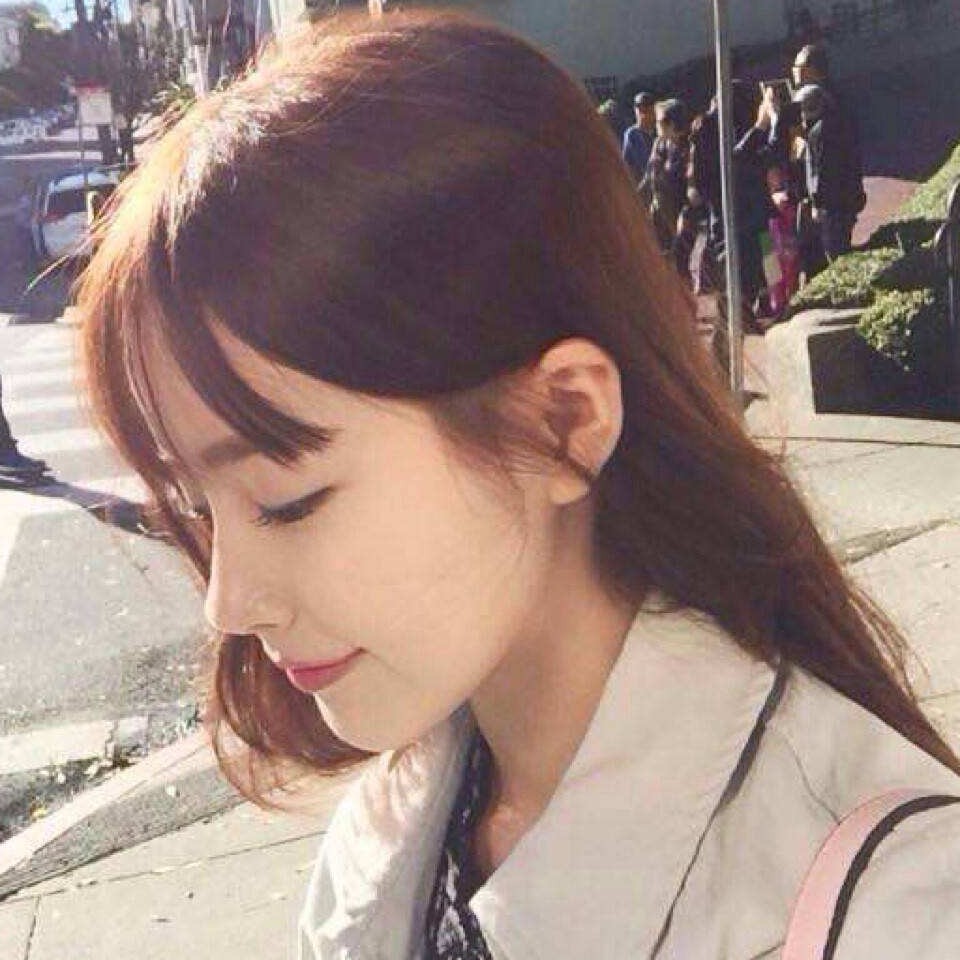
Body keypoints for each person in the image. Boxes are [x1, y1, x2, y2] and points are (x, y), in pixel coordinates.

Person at [76, 13, 960, 959]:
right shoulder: (388, 836)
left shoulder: (892, 911)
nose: (228, 600)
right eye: (199, 510)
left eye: (286, 500)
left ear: (561, 424)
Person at [797, 83, 866, 261]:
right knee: (842, 243)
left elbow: (819, 171)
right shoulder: (842, 122)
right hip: (849, 196)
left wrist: (816, 203)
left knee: (834, 251)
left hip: (831, 205)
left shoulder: (817, 134)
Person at [621, 90, 656, 183]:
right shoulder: (632, 134)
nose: (643, 110)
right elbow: (628, 164)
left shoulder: (660, 131)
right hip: (641, 182)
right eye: (639, 106)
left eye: (647, 106)